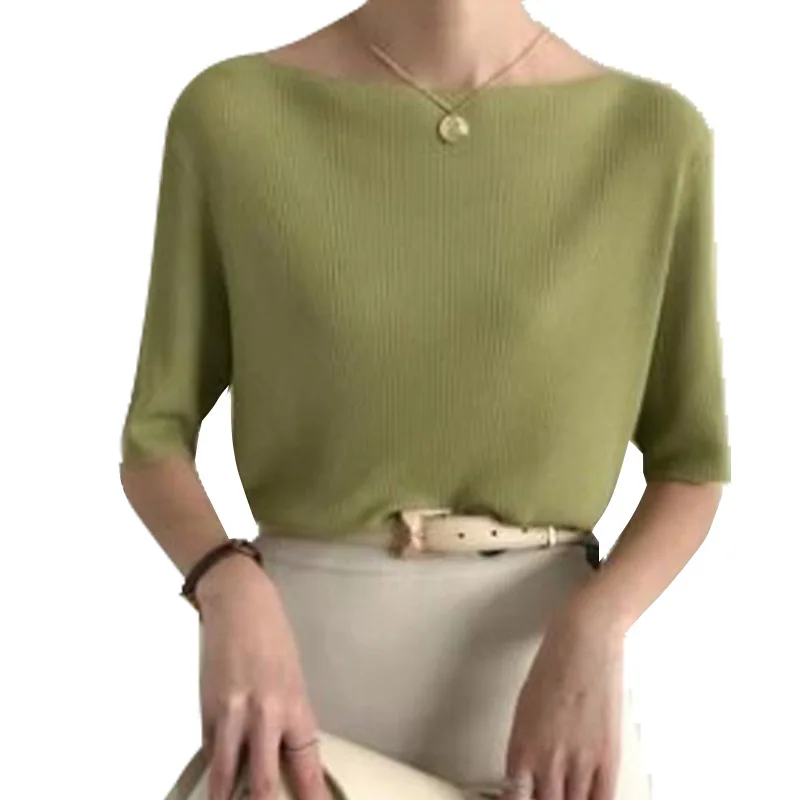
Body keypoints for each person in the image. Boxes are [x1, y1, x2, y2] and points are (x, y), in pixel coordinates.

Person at [118, 2, 731, 799]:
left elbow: (691, 465)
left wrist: (597, 623)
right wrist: (223, 584)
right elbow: (154, 439)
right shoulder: (233, 115)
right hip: (296, 704)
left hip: (549, 714)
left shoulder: (652, 137)